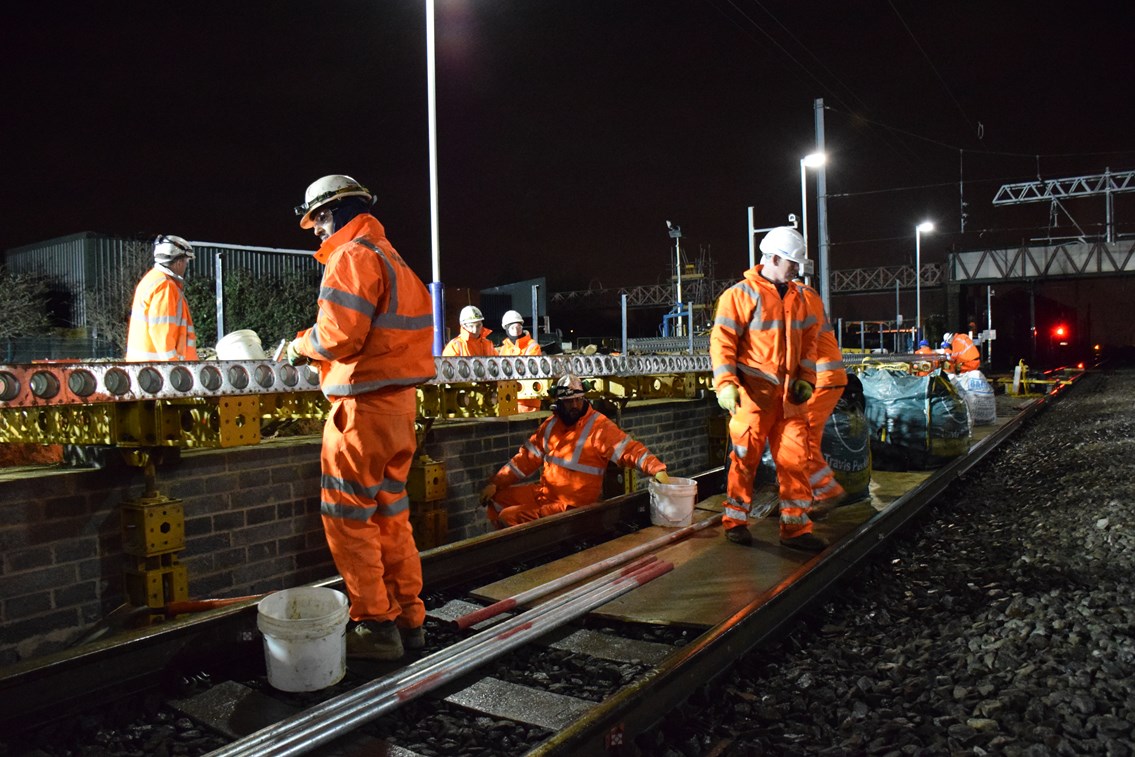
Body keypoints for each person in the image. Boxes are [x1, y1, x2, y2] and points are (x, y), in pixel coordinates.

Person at [285, 174, 436, 661]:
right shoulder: (397, 261)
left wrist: (296, 347)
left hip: (360, 412)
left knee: (349, 520)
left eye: (317, 220)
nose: (315, 232)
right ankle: (411, 619)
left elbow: (337, 337)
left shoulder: (351, 257)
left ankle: (375, 625)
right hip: (399, 410)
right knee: (392, 518)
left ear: (332, 212)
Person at [711, 226, 824, 552]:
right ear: (773, 258)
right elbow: (722, 345)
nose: (797, 269)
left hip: (790, 399)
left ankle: (796, 529)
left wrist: (807, 378)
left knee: (795, 462)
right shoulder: (739, 296)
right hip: (752, 397)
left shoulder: (800, 298)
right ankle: (735, 521)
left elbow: (809, 344)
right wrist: (726, 385)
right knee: (744, 459)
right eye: (792, 262)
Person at [478, 374, 671, 527]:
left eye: (578, 399)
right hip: (546, 494)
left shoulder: (599, 427)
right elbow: (525, 459)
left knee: (508, 516)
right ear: (559, 402)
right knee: (497, 500)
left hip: (572, 504)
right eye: (569, 401)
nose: (575, 405)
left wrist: (656, 469)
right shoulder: (551, 426)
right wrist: (497, 483)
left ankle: (532, 555)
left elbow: (630, 450)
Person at [797, 282, 847, 517]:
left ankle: (827, 491)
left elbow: (802, 338)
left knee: (801, 438)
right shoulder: (803, 295)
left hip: (822, 378)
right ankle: (807, 497)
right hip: (822, 378)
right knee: (807, 440)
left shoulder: (800, 296)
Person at [125, 235, 198, 361]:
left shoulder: (152, 279)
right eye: (186, 261)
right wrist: (173, 367)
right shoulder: (165, 286)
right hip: (157, 371)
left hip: (146, 369)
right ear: (179, 262)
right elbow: (162, 333)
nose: (186, 266)